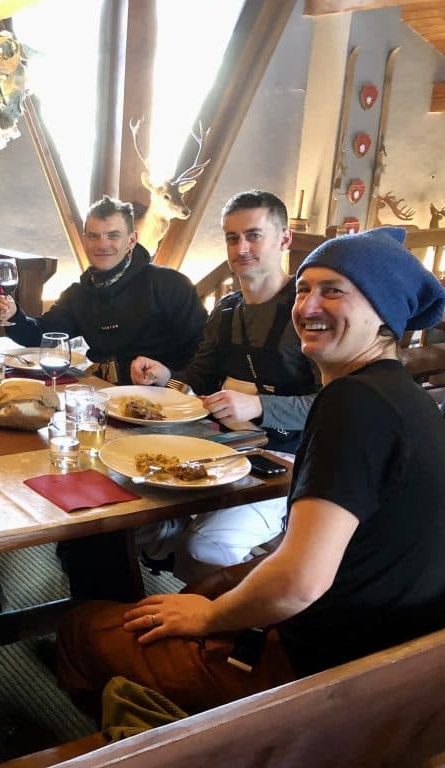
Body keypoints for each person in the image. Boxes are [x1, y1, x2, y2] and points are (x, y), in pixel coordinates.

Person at [55, 226, 445, 721]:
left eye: (334, 291)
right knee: (198, 590)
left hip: (327, 679)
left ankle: (172, 743)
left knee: (84, 626)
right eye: (304, 289)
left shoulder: (353, 403)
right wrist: (211, 601)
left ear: (384, 313)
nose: (306, 306)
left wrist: (213, 618)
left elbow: (300, 582)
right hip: (398, 662)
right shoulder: (406, 399)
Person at [129, 191, 322, 579]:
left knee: (207, 545)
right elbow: (198, 378)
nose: (242, 248)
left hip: (286, 462)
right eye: (232, 238)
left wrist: (261, 407)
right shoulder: (227, 309)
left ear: (284, 239)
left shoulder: (312, 313)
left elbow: (334, 402)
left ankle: (240, 626)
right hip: (221, 448)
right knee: (130, 513)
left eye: (253, 235)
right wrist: (166, 377)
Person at [0, 195, 206, 384]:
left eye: (113, 235)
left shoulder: (170, 284)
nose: (102, 245)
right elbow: (41, 336)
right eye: (94, 236)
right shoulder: (78, 294)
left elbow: (202, 354)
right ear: (85, 241)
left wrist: (171, 380)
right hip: (103, 395)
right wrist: (14, 315)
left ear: (131, 240)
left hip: (163, 402)